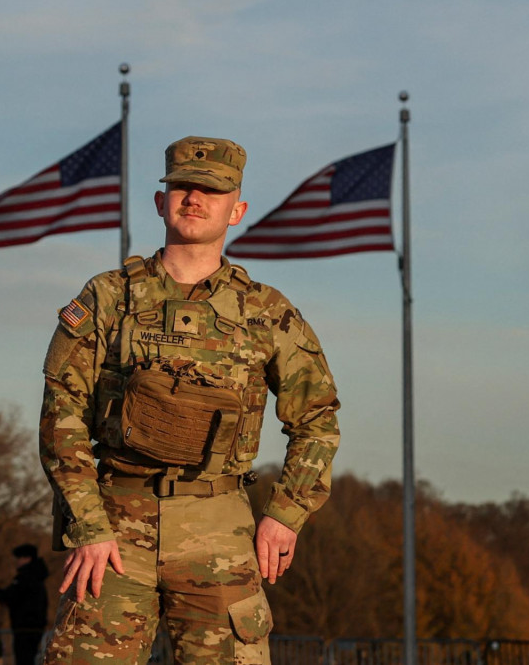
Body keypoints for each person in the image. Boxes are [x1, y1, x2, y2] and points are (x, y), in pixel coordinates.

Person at [39, 136, 340, 664]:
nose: (194, 198)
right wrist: (86, 524)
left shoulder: (266, 311)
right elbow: (62, 411)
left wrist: (286, 514)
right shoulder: (109, 296)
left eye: (212, 190)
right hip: (113, 533)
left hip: (219, 533)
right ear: (161, 202)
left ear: (237, 210)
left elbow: (316, 418)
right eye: (182, 187)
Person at [0, 544, 50, 665]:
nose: (17, 562)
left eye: (19, 558)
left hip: (24, 628)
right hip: (35, 627)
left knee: (24, 660)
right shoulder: (37, 578)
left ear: (27, 558)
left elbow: (8, 596)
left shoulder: (25, 578)